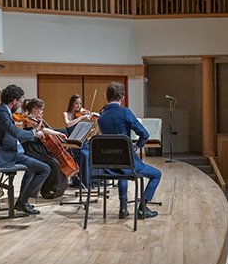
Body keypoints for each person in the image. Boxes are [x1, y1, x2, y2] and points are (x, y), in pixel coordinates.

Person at [98, 81, 161, 219]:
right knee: (156, 174)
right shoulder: (125, 112)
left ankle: (123, 209)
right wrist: (137, 145)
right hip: (127, 161)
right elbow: (144, 134)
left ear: (107, 97)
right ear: (122, 97)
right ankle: (142, 208)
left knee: (122, 172)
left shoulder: (101, 116)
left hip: (109, 165)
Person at [0, 85, 50, 215]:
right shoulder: (1, 112)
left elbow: (12, 135)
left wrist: (35, 130)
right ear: (14, 101)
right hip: (6, 155)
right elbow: (14, 132)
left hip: (12, 151)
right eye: (20, 101)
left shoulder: (4, 111)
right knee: (45, 169)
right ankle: (22, 202)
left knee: (34, 168)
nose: (21, 104)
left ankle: (22, 202)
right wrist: (34, 133)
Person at [20, 98, 70, 199]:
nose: (42, 112)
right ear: (34, 109)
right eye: (41, 110)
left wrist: (58, 133)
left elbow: (43, 129)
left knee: (56, 161)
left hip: (37, 146)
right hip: (31, 148)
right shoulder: (28, 119)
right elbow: (41, 130)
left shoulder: (34, 119)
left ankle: (57, 189)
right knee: (54, 164)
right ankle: (48, 190)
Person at [63, 94, 93, 188]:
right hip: (72, 145)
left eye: (80, 103)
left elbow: (85, 134)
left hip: (82, 143)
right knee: (84, 154)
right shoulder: (66, 114)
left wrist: (90, 132)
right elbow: (68, 124)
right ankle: (80, 182)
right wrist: (81, 118)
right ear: (71, 103)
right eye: (76, 103)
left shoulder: (80, 114)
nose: (79, 106)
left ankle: (88, 181)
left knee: (90, 153)